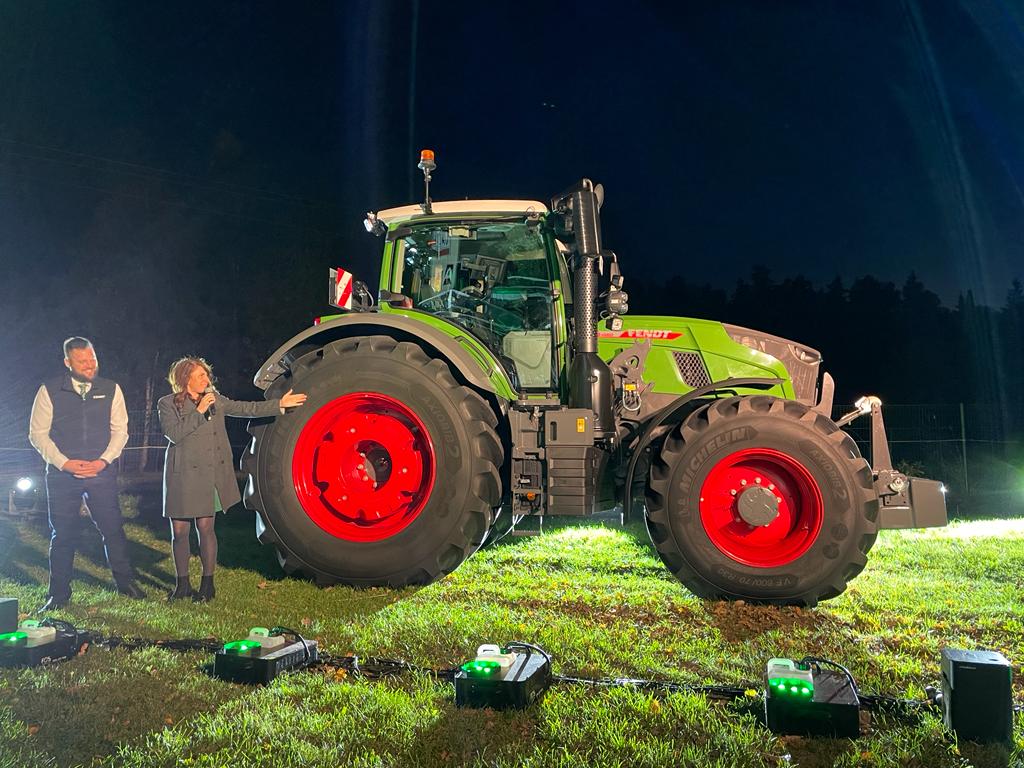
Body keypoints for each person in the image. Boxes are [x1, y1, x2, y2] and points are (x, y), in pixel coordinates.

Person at [157, 356, 306, 602]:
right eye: (200, 375)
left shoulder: (215, 399)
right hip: (181, 475)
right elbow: (174, 434)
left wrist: (279, 404)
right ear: (185, 379)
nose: (206, 379)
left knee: (206, 528)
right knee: (179, 532)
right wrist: (200, 411)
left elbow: (245, 408)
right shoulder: (167, 403)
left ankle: (208, 586)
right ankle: (182, 585)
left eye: (206, 374)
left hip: (209, 474)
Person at [28, 336, 144, 612]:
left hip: (101, 472)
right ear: (67, 362)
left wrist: (103, 461)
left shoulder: (111, 389)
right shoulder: (49, 390)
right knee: (62, 533)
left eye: (92, 358)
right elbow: (38, 434)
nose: (90, 365)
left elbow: (120, 431)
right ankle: (58, 593)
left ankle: (125, 582)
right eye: (82, 361)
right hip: (62, 475)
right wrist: (64, 463)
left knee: (112, 528)